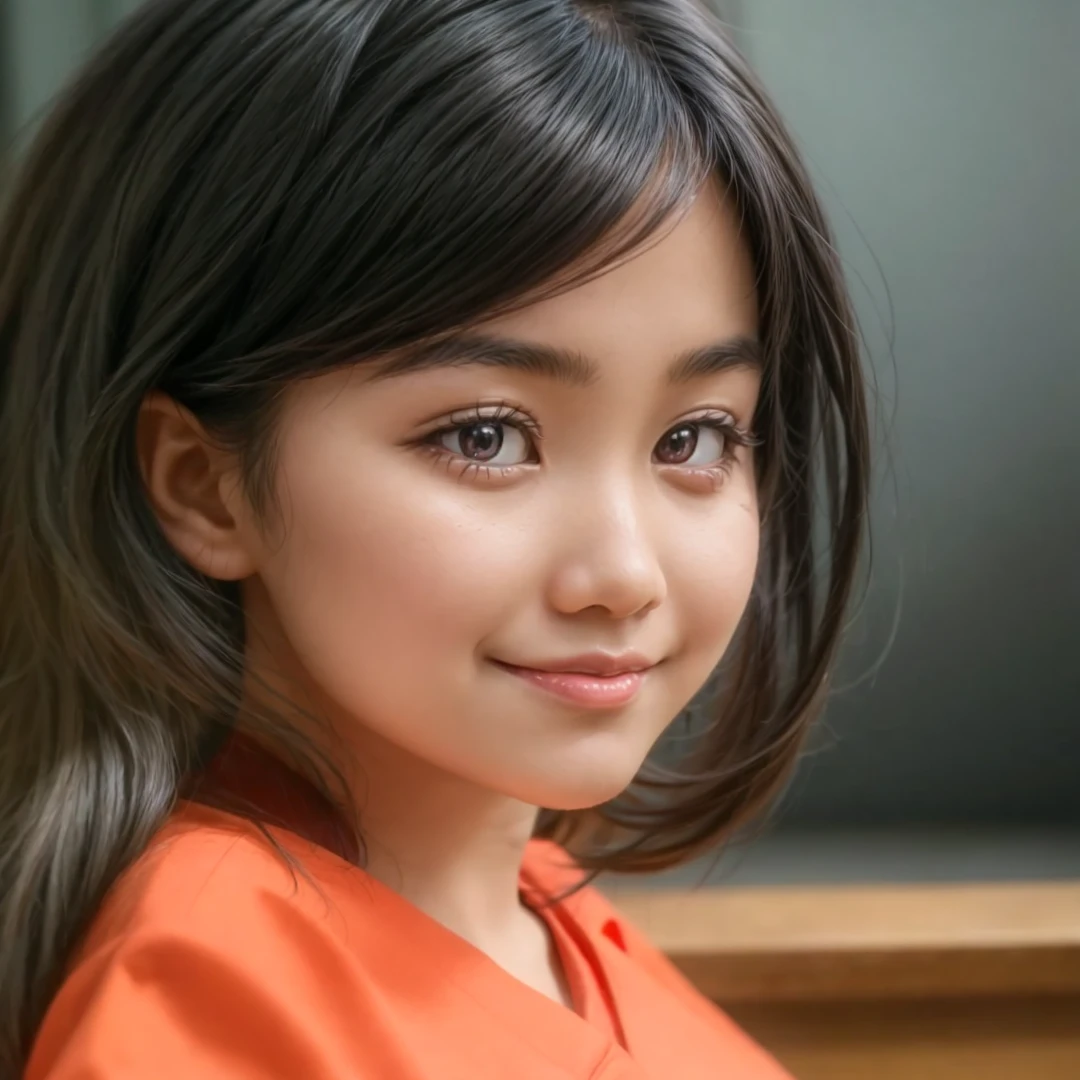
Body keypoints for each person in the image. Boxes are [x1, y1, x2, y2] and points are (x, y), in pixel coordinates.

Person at [0, 0, 869, 1076]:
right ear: (204, 486)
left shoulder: (540, 924)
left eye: (695, 438)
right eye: (488, 436)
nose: (622, 575)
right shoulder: (210, 992)